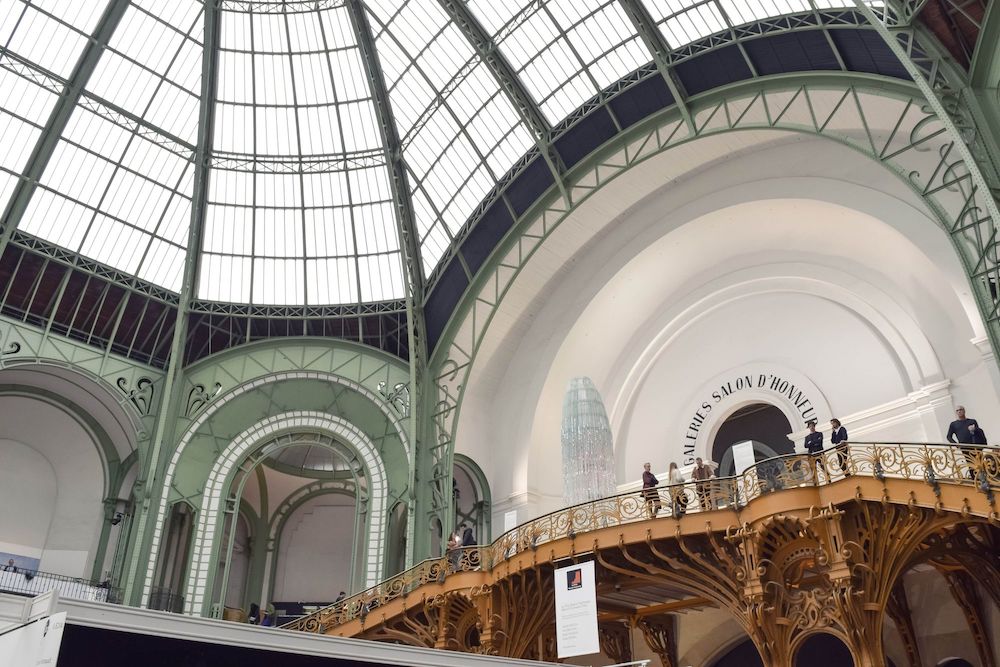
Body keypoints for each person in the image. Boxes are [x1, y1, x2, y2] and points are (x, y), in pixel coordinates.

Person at [946, 405, 981, 478]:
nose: (959, 411)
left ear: (964, 411)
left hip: (976, 445)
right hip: (965, 447)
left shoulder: (972, 421)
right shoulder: (954, 424)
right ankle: (975, 480)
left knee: (980, 462)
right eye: (957, 410)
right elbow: (949, 436)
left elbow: (979, 433)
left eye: (961, 409)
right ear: (956, 413)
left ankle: (984, 478)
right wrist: (956, 444)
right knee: (970, 464)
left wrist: (974, 429)